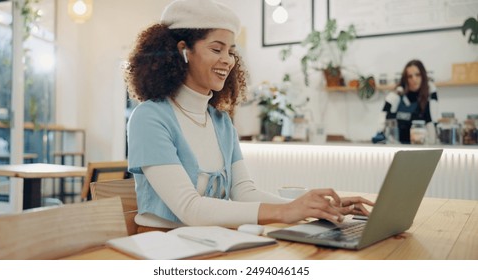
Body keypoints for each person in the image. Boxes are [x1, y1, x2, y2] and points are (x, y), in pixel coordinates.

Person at [125, 0, 373, 230]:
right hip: (161, 247)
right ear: (183, 51)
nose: (228, 61)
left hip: (212, 241)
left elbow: (244, 192)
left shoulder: (221, 122)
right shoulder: (149, 118)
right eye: (216, 49)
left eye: (231, 51)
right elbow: (191, 209)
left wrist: (314, 207)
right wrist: (287, 211)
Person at [373, 59, 439, 144]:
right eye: (410, 76)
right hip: (396, 147)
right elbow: (383, 121)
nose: (414, 79)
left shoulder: (428, 97)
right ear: (405, 78)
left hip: (419, 148)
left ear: (423, 75)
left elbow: (432, 123)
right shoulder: (395, 96)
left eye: (417, 75)